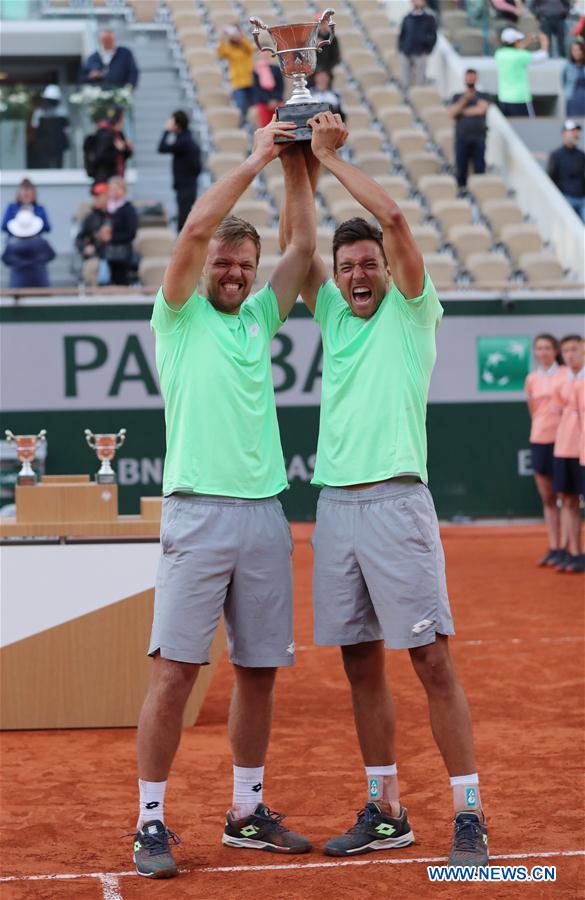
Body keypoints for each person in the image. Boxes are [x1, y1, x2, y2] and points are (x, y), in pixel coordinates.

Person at [281, 111, 489, 867]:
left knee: (430, 661)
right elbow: (296, 248)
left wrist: (331, 158)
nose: (358, 275)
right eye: (348, 268)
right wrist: (295, 167)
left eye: (368, 264)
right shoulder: (335, 316)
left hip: (398, 503)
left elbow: (395, 218)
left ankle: (468, 812)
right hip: (335, 507)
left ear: (386, 269)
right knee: (360, 664)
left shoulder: (411, 308)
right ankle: (386, 808)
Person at [132, 118, 317, 879]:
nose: (235, 273)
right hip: (198, 511)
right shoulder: (177, 314)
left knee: (258, 671)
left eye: (245, 265)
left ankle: (246, 811)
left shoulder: (260, 317)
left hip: (265, 513)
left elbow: (302, 250)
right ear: (205, 265)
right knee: (176, 672)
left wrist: (300, 166)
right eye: (225, 263)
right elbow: (195, 228)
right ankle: (149, 820)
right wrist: (260, 155)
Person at [525, 334, 568, 567]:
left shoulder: (565, 374)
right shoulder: (531, 378)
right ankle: (554, 547)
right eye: (539, 348)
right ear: (535, 352)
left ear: (555, 351)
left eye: (548, 348)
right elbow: (533, 410)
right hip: (539, 440)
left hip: (564, 442)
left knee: (565, 497)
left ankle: (566, 547)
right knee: (548, 498)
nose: (543, 352)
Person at [552, 335, 585, 573]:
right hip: (566, 449)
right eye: (567, 351)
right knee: (569, 500)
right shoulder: (561, 381)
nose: (571, 354)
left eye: (576, 349)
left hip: (581, 451)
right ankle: (575, 553)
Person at [157, 110, 202, 232]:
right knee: (184, 218)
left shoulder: (184, 141)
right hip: (187, 185)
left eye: (171, 122)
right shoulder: (185, 138)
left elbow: (161, 148)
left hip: (185, 187)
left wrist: (166, 131)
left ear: (177, 125)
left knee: (183, 221)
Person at [448, 69, 489, 189]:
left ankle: (479, 191)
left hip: (479, 137)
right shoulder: (457, 96)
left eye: (473, 77)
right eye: (468, 77)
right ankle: (461, 191)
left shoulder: (483, 95)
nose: (471, 79)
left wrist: (462, 111)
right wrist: (464, 100)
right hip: (462, 138)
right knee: (461, 169)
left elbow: (481, 110)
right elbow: (452, 112)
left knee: (479, 168)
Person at [495, 28, 549, 117]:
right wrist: (544, 41)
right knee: (527, 125)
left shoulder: (499, 54)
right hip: (520, 98)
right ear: (515, 42)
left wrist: (527, 42)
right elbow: (543, 56)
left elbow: (517, 50)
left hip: (503, 98)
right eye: (519, 41)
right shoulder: (520, 56)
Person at [97, 177, 138, 286]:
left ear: (123, 190)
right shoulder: (105, 208)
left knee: (121, 280)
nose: (114, 192)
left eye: (117, 189)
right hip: (106, 252)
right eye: (111, 189)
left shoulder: (128, 209)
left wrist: (112, 238)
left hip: (122, 252)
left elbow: (131, 232)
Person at [2, 208, 55, 288]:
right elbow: (51, 255)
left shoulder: (12, 245)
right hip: (39, 281)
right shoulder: (42, 243)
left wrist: (22, 263)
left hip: (18, 282)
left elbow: (6, 259)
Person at [83, 106, 133, 185]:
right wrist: (117, 150)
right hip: (105, 180)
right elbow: (102, 156)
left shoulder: (118, 134)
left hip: (117, 179)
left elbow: (123, 156)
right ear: (120, 118)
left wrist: (127, 149)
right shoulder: (105, 134)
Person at [547, 120, 585, 222]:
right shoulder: (556, 155)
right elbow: (551, 178)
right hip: (566, 198)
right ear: (564, 133)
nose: (576, 134)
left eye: (577, 132)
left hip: (582, 199)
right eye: (572, 131)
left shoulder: (581, 155)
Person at [217, 24, 254, 127]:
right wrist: (222, 37)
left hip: (250, 81)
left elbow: (251, 49)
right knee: (241, 106)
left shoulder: (245, 47)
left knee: (254, 107)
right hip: (237, 83)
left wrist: (241, 36)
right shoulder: (230, 48)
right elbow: (220, 53)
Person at [398, 0, 438, 89]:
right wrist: (401, 48)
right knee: (405, 80)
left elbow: (433, 36)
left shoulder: (429, 18)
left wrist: (427, 50)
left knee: (420, 80)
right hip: (406, 51)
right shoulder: (407, 18)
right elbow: (402, 34)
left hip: (421, 52)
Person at [29, 84, 69, 169]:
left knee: (58, 166)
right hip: (44, 145)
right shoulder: (39, 112)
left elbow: (66, 129)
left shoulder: (62, 112)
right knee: (44, 166)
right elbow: (34, 127)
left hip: (58, 144)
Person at [307, 14, 341, 87]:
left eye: (323, 23)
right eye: (318, 23)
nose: (321, 25)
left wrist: (325, 71)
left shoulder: (332, 38)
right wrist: (313, 47)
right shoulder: (311, 38)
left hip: (326, 72)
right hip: (313, 74)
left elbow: (336, 58)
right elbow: (307, 57)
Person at [252, 53, 284, 129]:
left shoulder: (275, 69)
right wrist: (268, 101)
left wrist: (275, 99)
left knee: (280, 123)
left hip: (277, 101)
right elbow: (257, 89)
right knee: (265, 125)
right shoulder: (256, 71)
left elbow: (281, 86)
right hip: (263, 102)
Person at [563, 41, 585, 119]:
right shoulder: (567, 67)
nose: (576, 53)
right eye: (574, 50)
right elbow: (563, 82)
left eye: (578, 50)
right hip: (572, 98)